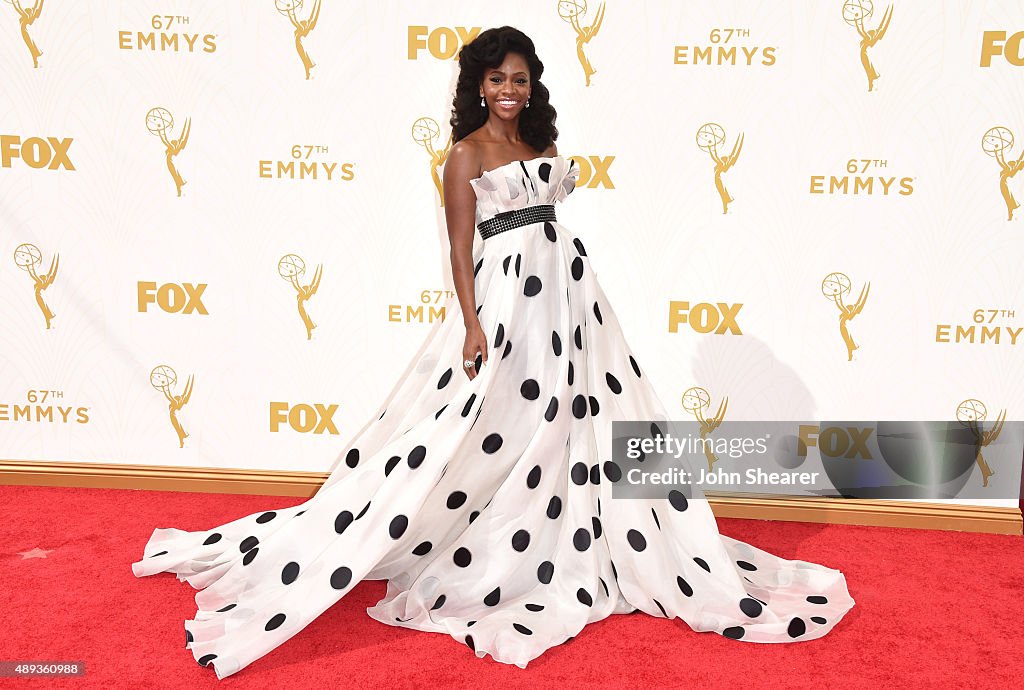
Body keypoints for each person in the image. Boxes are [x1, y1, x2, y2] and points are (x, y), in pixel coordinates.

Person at [131, 26, 855, 680]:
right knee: (485, 421)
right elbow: (458, 249)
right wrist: (473, 326)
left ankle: (572, 534)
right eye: (497, 78)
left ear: (531, 84)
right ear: (477, 84)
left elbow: (550, 222)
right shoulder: (466, 154)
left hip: (570, 297)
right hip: (506, 301)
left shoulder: (540, 148)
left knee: (579, 416)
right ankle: (462, 537)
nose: (509, 90)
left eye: (519, 79)